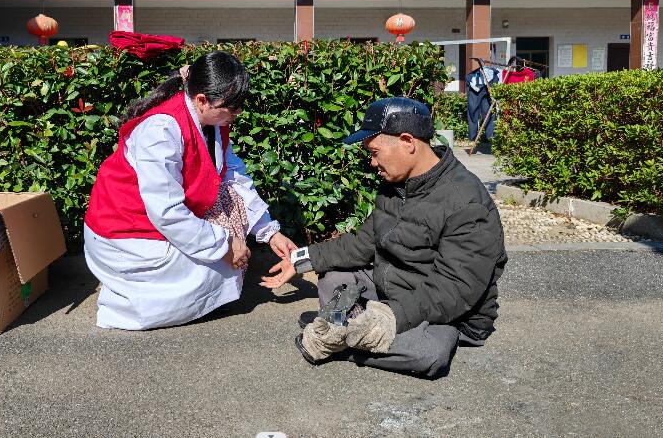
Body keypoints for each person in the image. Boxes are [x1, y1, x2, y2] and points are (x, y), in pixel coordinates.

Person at [261, 97, 507, 378]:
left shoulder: (465, 201)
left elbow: (455, 289)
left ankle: (340, 339)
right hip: (393, 289)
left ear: (407, 141)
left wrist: (388, 317)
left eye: (375, 152)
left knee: (429, 352)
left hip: (446, 312)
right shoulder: (396, 184)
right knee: (332, 277)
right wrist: (300, 260)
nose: (372, 162)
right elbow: (363, 243)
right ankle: (345, 327)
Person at [84, 51, 297, 330]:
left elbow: (234, 178)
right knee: (218, 273)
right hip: (123, 234)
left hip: (155, 221)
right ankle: (125, 299)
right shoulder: (160, 129)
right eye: (231, 107)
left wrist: (270, 232)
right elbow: (166, 212)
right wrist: (224, 245)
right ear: (202, 100)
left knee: (226, 255)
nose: (237, 113)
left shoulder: (215, 122)